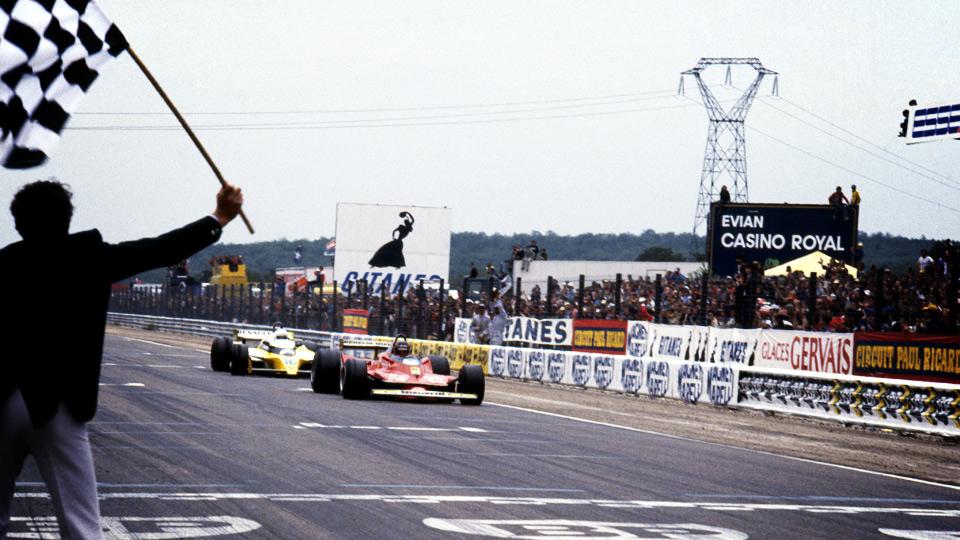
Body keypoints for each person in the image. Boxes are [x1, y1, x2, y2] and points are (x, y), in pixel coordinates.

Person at [0, 180, 243, 539]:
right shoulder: (91, 256)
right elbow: (161, 249)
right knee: (81, 524)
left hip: (4, 400)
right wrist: (220, 216)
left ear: (19, 223)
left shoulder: (6, 263)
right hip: (60, 405)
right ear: (68, 218)